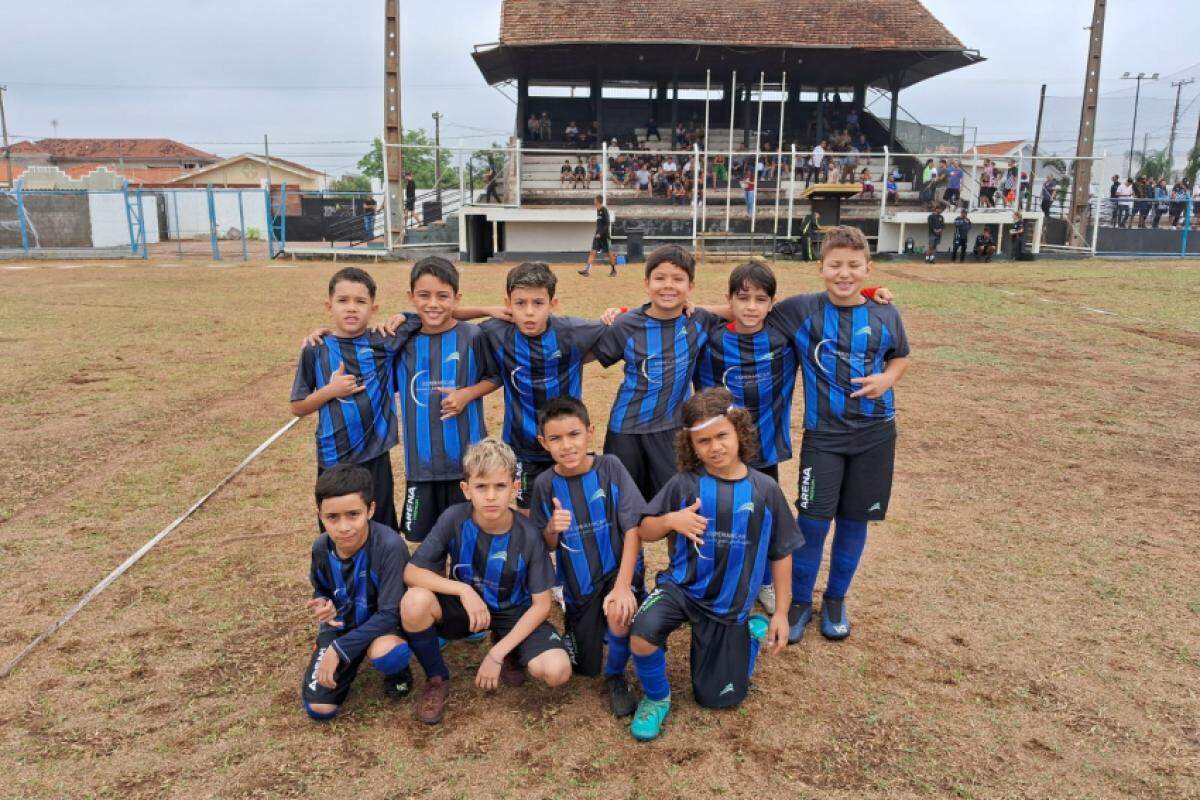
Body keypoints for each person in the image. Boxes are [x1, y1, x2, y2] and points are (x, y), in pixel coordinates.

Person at [626, 387, 798, 741]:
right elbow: (644, 529)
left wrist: (781, 612)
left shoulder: (765, 490)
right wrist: (671, 520)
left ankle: (748, 634)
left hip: (729, 604)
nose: (714, 447)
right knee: (642, 633)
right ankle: (657, 699)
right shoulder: (684, 484)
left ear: (739, 431)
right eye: (703, 441)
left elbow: (781, 553)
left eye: (721, 435)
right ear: (691, 446)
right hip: (682, 588)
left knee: (716, 700)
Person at [766, 226, 911, 644]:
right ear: (821, 268)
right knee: (812, 522)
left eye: (853, 265)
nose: (843, 273)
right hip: (824, 437)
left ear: (868, 267)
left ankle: (835, 599)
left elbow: (900, 356)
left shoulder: (885, 313)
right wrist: (688, 308)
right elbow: (749, 310)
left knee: (854, 520)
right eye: (835, 265)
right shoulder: (801, 311)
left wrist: (887, 377)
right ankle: (797, 603)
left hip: (876, 435)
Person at [400, 438, 572, 724]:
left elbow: (541, 606)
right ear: (466, 490)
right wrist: (462, 589)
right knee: (414, 602)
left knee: (557, 671)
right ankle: (436, 678)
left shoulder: (528, 534)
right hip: (467, 608)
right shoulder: (454, 519)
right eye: (481, 487)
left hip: (514, 612)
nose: (491, 496)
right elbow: (412, 572)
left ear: (515, 489)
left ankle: (508, 647)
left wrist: (495, 654)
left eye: (500, 486)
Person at [528, 397, 646, 715]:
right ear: (543, 442)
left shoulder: (611, 467)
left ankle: (616, 676)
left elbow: (633, 529)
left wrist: (623, 586)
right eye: (556, 438)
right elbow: (547, 545)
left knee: (619, 613)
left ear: (590, 433)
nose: (567, 445)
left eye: (574, 434)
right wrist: (552, 527)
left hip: (618, 572)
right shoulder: (544, 485)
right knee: (583, 667)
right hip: (579, 585)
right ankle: (579, 631)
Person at [592, 245, 723, 501]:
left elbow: (736, 312)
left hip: (671, 430)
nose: (668, 286)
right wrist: (616, 312)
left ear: (691, 285)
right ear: (646, 282)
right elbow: (589, 353)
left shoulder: (698, 321)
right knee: (623, 508)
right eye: (660, 278)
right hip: (626, 431)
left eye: (678, 279)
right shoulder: (626, 325)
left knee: (679, 505)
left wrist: (695, 305)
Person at [389, 257, 501, 541]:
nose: (433, 304)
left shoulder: (473, 336)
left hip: (467, 463)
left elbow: (494, 376)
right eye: (424, 296)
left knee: (469, 535)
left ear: (457, 298)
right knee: (425, 541)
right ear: (411, 297)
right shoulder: (403, 340)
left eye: (443, 296)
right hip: (421, 465)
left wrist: (466, 394)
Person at [291, 267, 403, 530]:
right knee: (339, 532)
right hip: (333, 459)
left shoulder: (384, 342)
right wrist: (330, 391)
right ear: (329, 306)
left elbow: (428, 317)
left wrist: (399, 317)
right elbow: (297, 407)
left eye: (360, 301)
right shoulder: (315, 349)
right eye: (343, 301)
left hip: (375, 456)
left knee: (381, 529)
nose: (351, 308)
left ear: (373, 309)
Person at [301, 465, 413, 720]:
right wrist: (324, 604)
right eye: (332, 517)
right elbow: (322, 589)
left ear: (370, 510)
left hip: (382, 628)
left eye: (353, 514)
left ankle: (398, 673)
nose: (343, 527)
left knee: (389, 654)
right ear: (320, 515)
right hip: (342, 626)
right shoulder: (320, 548)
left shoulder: (390, 546)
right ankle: (339, 655)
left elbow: (391, 613)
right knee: (320, 709)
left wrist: (339, 649)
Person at [579, 195, 617, 278]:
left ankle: (614, 270)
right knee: (592, 252)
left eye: (594, 199)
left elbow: (607, 224)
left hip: (605, 236)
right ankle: (586, 271)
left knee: (609, 254)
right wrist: (598, 233)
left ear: (598, 201)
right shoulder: (597, 210)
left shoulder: (604, 210)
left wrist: (601, 233)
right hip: (597, 236)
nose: (593, 201)